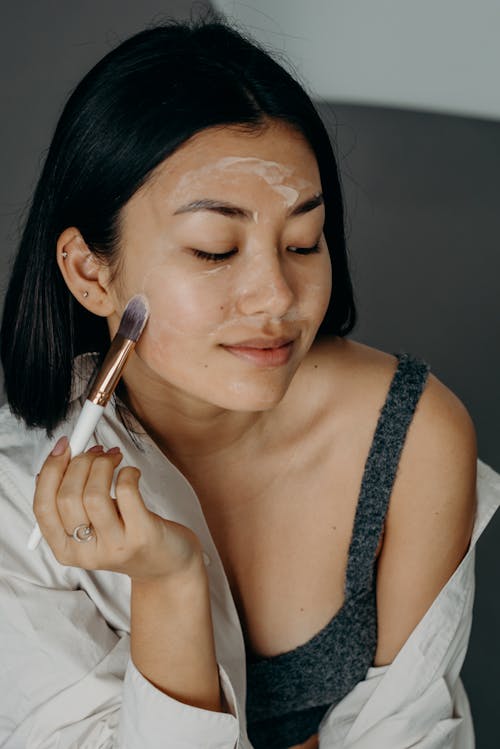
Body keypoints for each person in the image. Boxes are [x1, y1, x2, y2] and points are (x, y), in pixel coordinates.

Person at [0, 14, 498, 749]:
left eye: (304, 240)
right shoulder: (18, 495)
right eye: (214, 249)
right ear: (88, 272)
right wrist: (170, 585)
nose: (277, 297)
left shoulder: (410, 434)